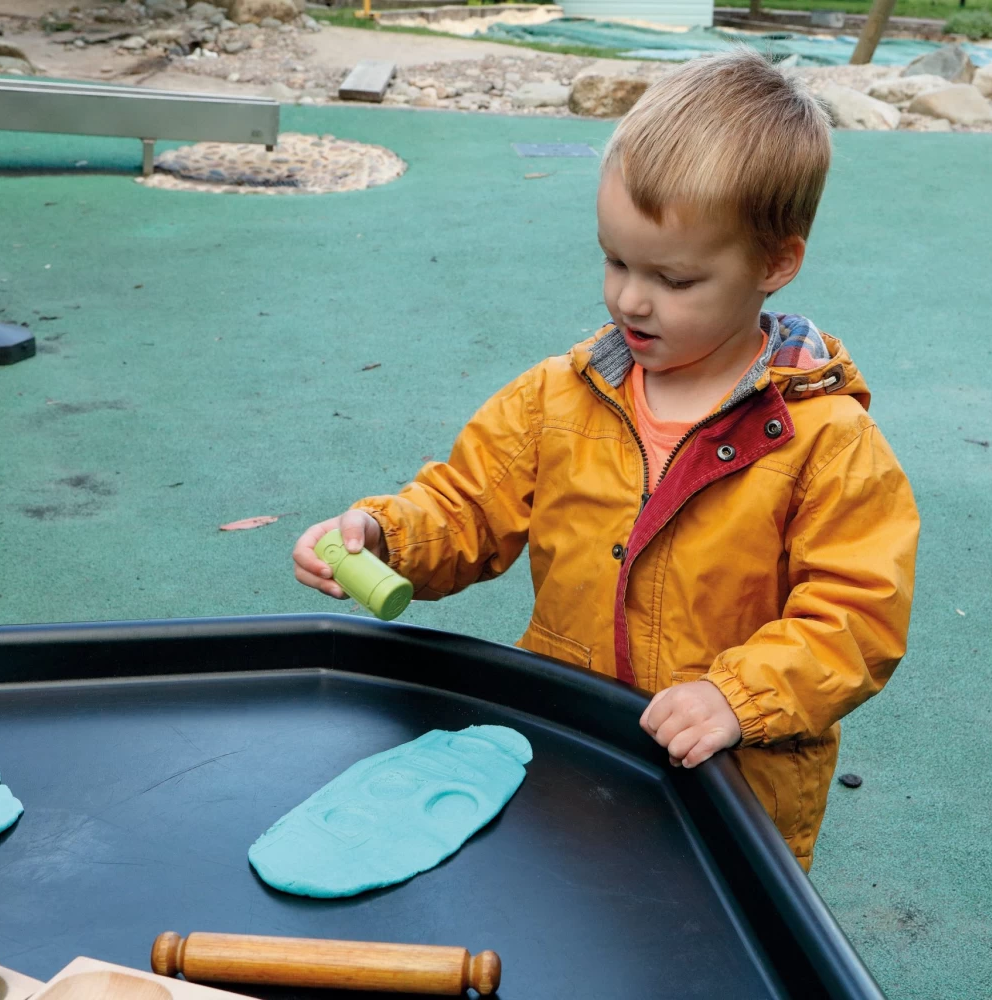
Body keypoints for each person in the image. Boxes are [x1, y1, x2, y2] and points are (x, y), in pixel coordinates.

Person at [293, 48, 919, 869]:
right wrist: (387, 534)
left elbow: (857, 615)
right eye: (616, 260)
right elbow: (468, 503)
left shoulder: (827, 441)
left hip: (726, 789)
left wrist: (738, 696)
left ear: (775, 263)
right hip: (570, 750)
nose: (631, 297)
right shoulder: (560, 396)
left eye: (675, 278)